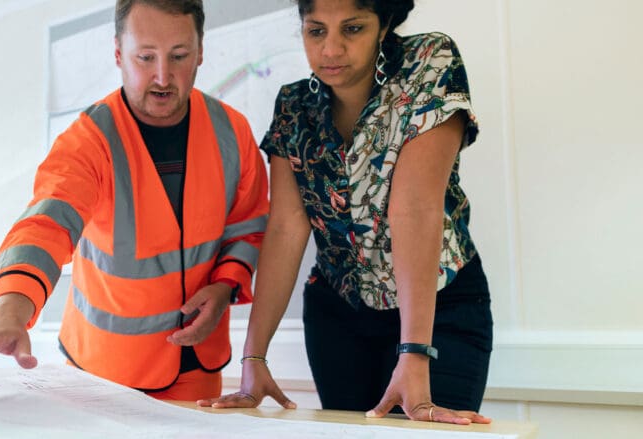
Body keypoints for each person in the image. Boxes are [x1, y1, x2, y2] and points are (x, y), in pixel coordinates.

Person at [0, 0, 269, 401]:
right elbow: (46, 224)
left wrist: (224, 287)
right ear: (118, 54)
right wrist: (9, 311)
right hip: (103, 373)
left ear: (201, 51)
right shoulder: (87, 141)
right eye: (145, 57)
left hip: (197, 366)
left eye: (180, 56)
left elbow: (248, 226)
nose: (163, 76)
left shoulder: (233, 132)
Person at [200, 0, 494, 425]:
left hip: (439, 310)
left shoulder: (429, 61)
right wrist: (254, 357)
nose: (331, 50)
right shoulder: (294, 106)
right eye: (316, 31)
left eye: (352, 29)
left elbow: (413, 207)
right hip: (339, 316)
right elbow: (285, 227)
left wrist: (413, 353)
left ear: (384, 23)